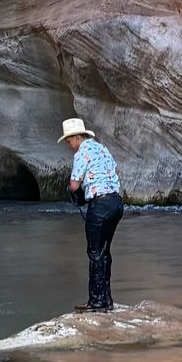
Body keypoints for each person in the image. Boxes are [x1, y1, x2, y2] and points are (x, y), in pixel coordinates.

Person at [62, 117, 123, 312]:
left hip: (100, 206)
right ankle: (107, 299)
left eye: (68, 140)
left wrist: (73, 191)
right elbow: (114, 171)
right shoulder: (101, 149)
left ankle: (96, 301)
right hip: (116, 203)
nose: (68, 144)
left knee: (95, 253)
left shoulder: (82, 153)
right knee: (105, 251)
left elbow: (74, 185)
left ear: (77, 137)